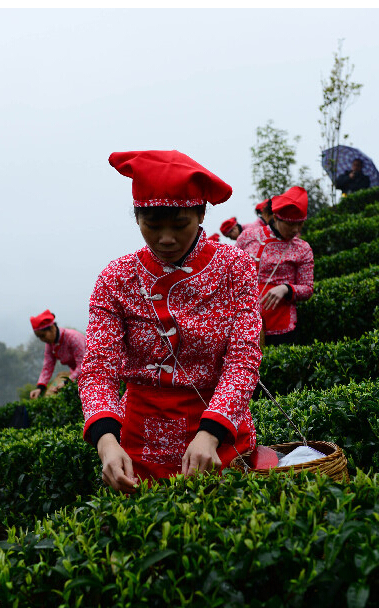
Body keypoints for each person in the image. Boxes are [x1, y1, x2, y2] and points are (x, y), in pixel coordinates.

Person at [79, 149, 261, 493]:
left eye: (180, 225)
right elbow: (99, 369)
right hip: (137, 441)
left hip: (219, 433)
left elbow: (243, 359)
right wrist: (107, 443)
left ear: (201, 213)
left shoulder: (235, 267)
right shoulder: (117, 278)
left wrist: (210, 434)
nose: (166, 239)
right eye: (152, 225)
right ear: (136, 218)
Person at [236, 185, 314, 345]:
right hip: (243, 317)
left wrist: (286, 288)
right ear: (276, 218)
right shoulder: (249, 236)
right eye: (291, 224)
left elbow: (307, 289)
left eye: (300, 224)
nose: (296, 229)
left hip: (281, 324)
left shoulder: (302, 248)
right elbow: (232, 269)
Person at [29, 309, 86, 399]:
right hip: (76, 375)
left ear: (52, 328)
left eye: (43, 335)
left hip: (92, 372)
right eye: (39, 337)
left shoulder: (74, 338)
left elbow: (83, 366)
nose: (42, 340)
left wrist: (67, 382)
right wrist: (40, 387)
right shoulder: (50, 344)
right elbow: (48, 366)